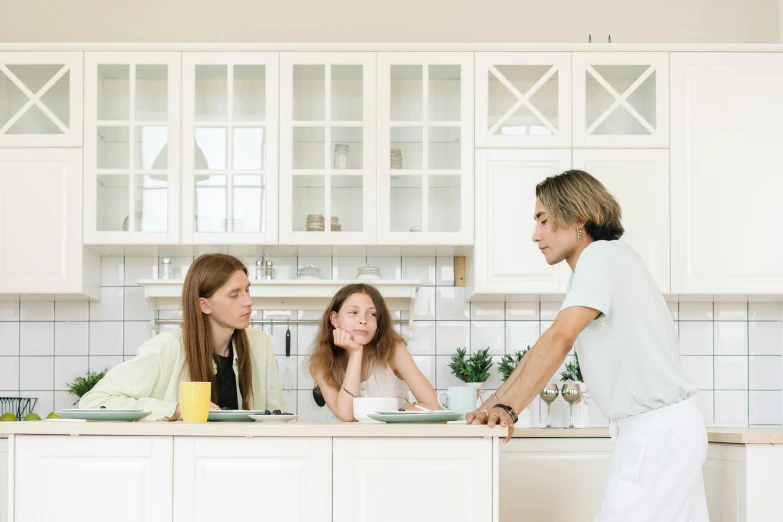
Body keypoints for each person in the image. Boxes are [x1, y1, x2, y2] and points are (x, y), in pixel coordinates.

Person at [467, 170, 708, 521]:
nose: (535, 235)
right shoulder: (603, 263)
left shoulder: (601, 256)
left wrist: (507, 408)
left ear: (578, 217)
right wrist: (491, 407)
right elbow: (546, 344)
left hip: (657, 435)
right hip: (657, 433)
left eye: (544, 220)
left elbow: (559, 339)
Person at [80, 253, 285, 419]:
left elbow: (276, 414)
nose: (248, 301)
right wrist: (176, 410)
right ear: (204, 305)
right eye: (235, 294)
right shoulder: (167, 347)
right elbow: (94, 401)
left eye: (248, 291)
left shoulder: (259, 343)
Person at [307, 283, 439, 421]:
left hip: (392, 439)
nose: (363, 320)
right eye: (353, 312)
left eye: (372, 314)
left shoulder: (394, 350)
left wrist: (393, 415)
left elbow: (433, 405)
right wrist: (355, 353)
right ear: (335, 319)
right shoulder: (319, 364)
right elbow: (347, 415)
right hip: (343, 441)